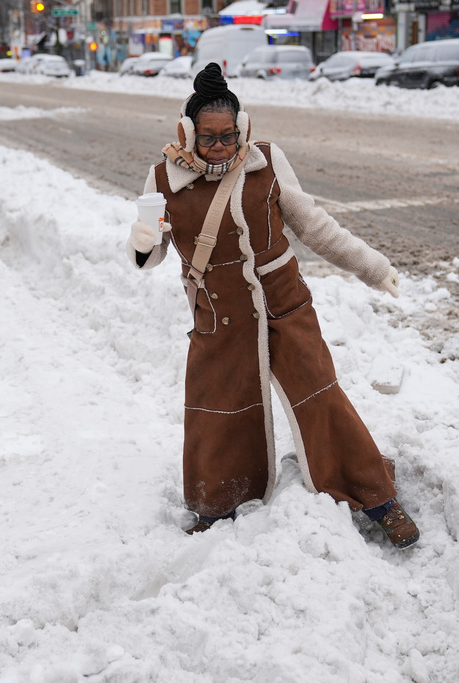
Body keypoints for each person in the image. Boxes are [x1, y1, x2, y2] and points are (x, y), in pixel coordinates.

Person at [126, 63, 420, 549]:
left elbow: (314, 225)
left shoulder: (264, 160)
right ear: (188, 132)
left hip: (283, 302)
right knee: (215, 410)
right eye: (207, 138)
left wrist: (371, 266)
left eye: (227, 137)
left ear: (242, 129)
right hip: (217, 313)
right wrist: (140, 241)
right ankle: (215, 504)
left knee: (321, 398)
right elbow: (151, 254)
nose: (219, 147)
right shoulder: (162, 176)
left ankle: (378, 499)